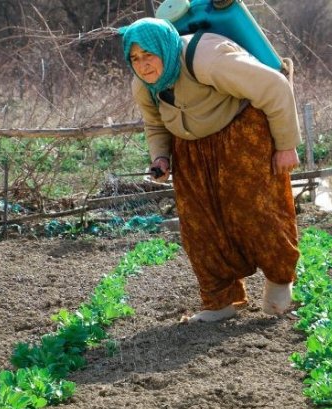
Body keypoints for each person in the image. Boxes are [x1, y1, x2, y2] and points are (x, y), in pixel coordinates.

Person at [121, 17, 301, 323]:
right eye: (135, 58)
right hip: (190, 148)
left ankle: (279, 283)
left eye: (148, 55)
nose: (142, 65)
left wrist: (285, 146)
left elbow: (274, 86)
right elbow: (155, 124)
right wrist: (161, 158)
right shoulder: (145, 84)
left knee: (257, 210)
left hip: (240, 131)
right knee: (199, 227)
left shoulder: (207, 59)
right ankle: (222, 301)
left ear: (164, 49)